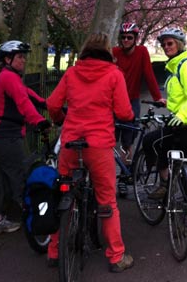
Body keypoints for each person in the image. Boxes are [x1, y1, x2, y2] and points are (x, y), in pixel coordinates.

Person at [46, 33, 135, 273]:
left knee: (62, 193)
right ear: (107, 51)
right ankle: (116, 256)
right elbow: (125, 112)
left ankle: (54, 251)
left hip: (71, 143)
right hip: (99, 145)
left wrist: (61, 120)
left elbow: (53, 104)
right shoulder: (114, 75)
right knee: (107, 201)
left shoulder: (72, 73)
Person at [0, 40, 50, 236]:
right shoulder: (8, 78)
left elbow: (29, 95)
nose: (24, 60)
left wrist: (49, 106)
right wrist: (40, 121)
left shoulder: (8, 77)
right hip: (7, 137)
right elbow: (23, 103)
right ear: (7, 58)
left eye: (24, 57)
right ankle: (35, 219)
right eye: (20, 57)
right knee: (21, 175)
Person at [143, 28, 187, 206]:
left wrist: (180, 115)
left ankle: (165, 184)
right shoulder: (178, 66)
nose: (166, 47)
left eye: (170, 43)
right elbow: (184, 96)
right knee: (182, 164)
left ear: (179, 44)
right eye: (163, 44)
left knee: (151, 141)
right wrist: (168, 104)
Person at [112, 22, 166, 163]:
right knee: (109, 139)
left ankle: (126, 173)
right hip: (113, 102)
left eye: (129, 37)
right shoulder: (115, 52)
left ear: (135, 39)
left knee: (128, 140)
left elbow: (149, 75)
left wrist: (158, 98)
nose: (125, 40)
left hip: (132, 101)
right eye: (123, 37)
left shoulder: (141, 52)